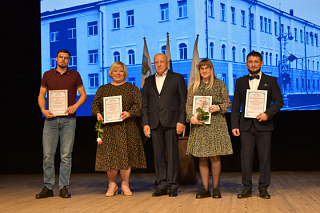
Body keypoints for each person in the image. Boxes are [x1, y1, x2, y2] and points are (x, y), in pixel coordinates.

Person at [231, 51, 283, 199]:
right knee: (246, 158)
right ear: (246, 64)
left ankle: (263, 188)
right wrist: (235, 124)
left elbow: (279, 102)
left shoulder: (271, 80)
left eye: (256, 61)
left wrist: (268, 113)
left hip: (264, 126)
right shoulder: (240, 82)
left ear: (261, 63)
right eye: (250, 61)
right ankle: (247, 188)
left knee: (264, 158)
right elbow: (235, 105)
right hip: (245, 126)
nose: (253, 64)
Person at [36, 49, 87, 199]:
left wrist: (75, 106)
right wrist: (43, 110)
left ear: (69, 61)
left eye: (66, 58)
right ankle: (48, 187)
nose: (63, 60)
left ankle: (64, 187)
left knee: (66, 155)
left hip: (69, 119)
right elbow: (41, 95)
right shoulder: (47, 75)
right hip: (50, 119)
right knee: (47, 155)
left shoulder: (75, 75)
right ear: (56, 59)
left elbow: (83, 95)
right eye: (60, 57)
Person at [92, 61, 147, 197]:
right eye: (115, 71)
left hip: (127, 127)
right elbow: (95, 106)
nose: (118, 73)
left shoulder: (132, 88)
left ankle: (125, 184)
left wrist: (129, 113)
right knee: (110, 156)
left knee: (125, 156)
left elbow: (139, 106)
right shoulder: (103, 89)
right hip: (108, 128)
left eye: (121, 71)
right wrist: (98, 114)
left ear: (125, 73)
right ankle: (112, 184)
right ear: (111, 72)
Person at [186, 59, 233, 199]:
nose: (204, 70)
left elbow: (227, 103)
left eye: (207, 68)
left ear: (211, 69)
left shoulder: (220, 84)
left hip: (216, 125)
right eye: (202, 68)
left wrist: (218, 107)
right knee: (202, 158)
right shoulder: (194, 86)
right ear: (199, 70)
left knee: (215, 157)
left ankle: (216, 188)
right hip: (199, 125)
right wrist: (191, 117)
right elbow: (188, 106)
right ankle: (205, 188)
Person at [141, 53, 187, 197]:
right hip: (154, 122)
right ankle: (161, 184)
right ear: (153, 64)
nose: (159, 64)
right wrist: (145, 123)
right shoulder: (148, 81)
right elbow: (145, 105)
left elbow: (184, 101)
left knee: (173, 155)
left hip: (172, 121)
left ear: (167, 63)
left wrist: (181, 120)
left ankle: (173, 185)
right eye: (156, 62)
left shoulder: (177, 78)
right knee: (158, 155)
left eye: (162, 61)